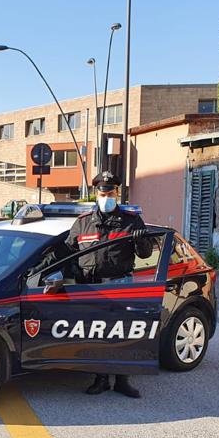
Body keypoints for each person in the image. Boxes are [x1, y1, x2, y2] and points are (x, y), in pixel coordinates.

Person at [64, 171, 152, 398]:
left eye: (110, 193)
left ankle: (122, 380)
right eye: (102, 193)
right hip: (90, 287)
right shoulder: (83, 223)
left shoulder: (130, 221)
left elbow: (145, 254)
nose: (106, 196)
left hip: (120, 284)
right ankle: (101, 378)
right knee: (97, 334)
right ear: (96, 193)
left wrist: (142, 239)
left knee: (122, 334)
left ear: (117, 193)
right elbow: (67, 252)